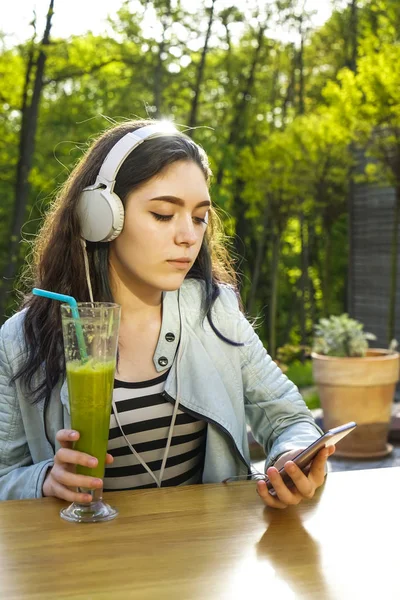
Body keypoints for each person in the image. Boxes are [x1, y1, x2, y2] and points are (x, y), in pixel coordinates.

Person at [0, 118, 334, 510]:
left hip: (206, 559)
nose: (189, 236)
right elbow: (5, 474)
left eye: (198, 217)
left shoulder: (216, 311)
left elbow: (289, 419)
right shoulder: (23, 339)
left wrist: (291, 457)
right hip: (82, 564)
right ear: (101, 217)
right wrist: (43, 480)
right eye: (162, 214)